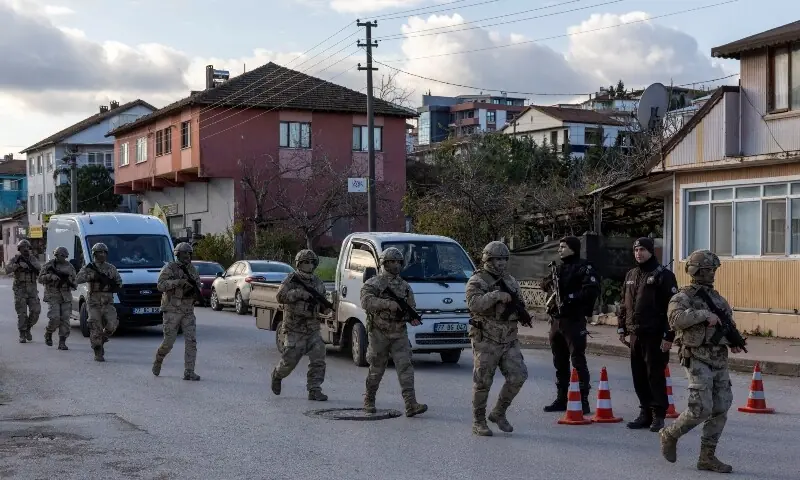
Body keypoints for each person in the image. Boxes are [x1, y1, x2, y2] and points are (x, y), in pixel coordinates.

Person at [660, 250, 740, 473]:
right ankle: (670, 434)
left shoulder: (718, 298)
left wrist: (733, 340)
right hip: (696, 356)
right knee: (701, 409)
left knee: (721, 406)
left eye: (713, 269)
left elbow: (727, 323)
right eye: (708, 269)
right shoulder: (683, 297)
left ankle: (707, 457)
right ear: (696, 270)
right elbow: (675, 319)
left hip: (718, 358)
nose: (712, 273)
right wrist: (704, 315)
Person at [465, 241, 529, 436]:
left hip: (509, 338)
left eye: (504, 259)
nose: (501, 263)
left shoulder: (511, 281)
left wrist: (521, 313)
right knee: (483, 381)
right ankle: (478, 421)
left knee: (518, 376)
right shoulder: (477, 281)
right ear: (488, 259)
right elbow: (474, 304)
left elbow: (520, 302)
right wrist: (495, 296)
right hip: (486, 338)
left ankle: (499, 412)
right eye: (496, 259)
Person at [617, 237, 678, 432]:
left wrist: (669, 336)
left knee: (655, 375)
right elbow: (624, 303)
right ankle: (645, 413)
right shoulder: (631, 274)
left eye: (642, 249)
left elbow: (672, 309)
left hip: (655, 334)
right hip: (635, 334)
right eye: (636, 250)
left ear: (651, 251)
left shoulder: (664, 275)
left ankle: (658, 415)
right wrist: (621, 327)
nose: (638, 253)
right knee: (639, 375)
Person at [360, 247, 427, 417]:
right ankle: (369, 400)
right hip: (379, 332)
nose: (396, 265)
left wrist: (411, 317)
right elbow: (366, 302)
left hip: (399, 333)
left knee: (406, 367)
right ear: (384, 263)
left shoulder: (405, 286)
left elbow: (411, 306)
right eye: (391, 262)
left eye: (398, 262)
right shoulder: (373, 283)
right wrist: (388, 304)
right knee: (376, 368)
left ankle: (411, 404)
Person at [540, 236, 600, 414]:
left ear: (573, 248)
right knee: (559, 361)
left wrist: (570, 298)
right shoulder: (558, 268)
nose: (559, 250)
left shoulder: (584, 267)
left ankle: (583, 400)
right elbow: (543, 284)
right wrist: (549, 284)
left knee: (577, 360)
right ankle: (562, 398)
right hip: (556, 321)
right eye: (559, 247)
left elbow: (591, 291)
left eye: (563, 247)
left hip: (574, 320)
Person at [270, 249, 330, 401]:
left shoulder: (317, 282)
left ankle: (314, 389)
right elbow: (280, 296)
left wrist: (325, 307)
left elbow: (322, 300)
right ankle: (277, 375)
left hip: (313, 328)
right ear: (299, 264)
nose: (309, 265)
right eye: (306, 262)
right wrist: (298, 294)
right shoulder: (291, 280)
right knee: (289, 362)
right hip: (294, 328)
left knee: (319, 358)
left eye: (311, 262)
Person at [153, 242, 201, 381]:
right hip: (172, 310)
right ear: (178, 254)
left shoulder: (192, 269)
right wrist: (177, 283)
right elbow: (160, 285)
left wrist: (194, 290)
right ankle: (159, 359)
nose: (187, 256)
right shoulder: (169, 268)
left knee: (191, 341)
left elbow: (197, 284)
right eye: (184, 253)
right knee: (169, 342)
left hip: (187, 310)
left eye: (189, 253)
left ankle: (189, 371)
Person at [76, 243, 123, 362]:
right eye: (99, 252)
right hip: (93, 302)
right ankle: (98, 351)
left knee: (112, 325)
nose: (102, 254)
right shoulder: (89, 267)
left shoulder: (111, 268)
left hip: (108, 302)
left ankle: (102, 338)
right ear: (94, 254)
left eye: (104, 252)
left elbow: (119, 283)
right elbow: (78, 279)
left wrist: (111, 286)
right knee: (95, 326)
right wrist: (91, 276)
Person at [38, 246, 77, 350]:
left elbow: (75, 279)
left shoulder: (70, 266)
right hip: (53, 295)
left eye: (65, 256)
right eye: (61, 256)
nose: (63, 258)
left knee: (65, 320)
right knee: (55, 318)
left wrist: (72, 283)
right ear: (56, 255)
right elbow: (40, 279)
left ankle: (62, 342)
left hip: (66, 296)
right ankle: (49, 332)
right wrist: (50, 277)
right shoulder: (49, 265)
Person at [7, 239, 42, 343]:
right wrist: (18, 265)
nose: (26, 249)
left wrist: (29, 265)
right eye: (23, 247)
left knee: (36, 311)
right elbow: (7, 269)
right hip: (20, 290)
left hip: (32, 290)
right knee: (22, 314)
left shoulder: (33, 259)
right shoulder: (15, 259)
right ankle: (22, 334)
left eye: (27, 247)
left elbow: (39, 268)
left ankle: (28, 328)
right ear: (19, 249)